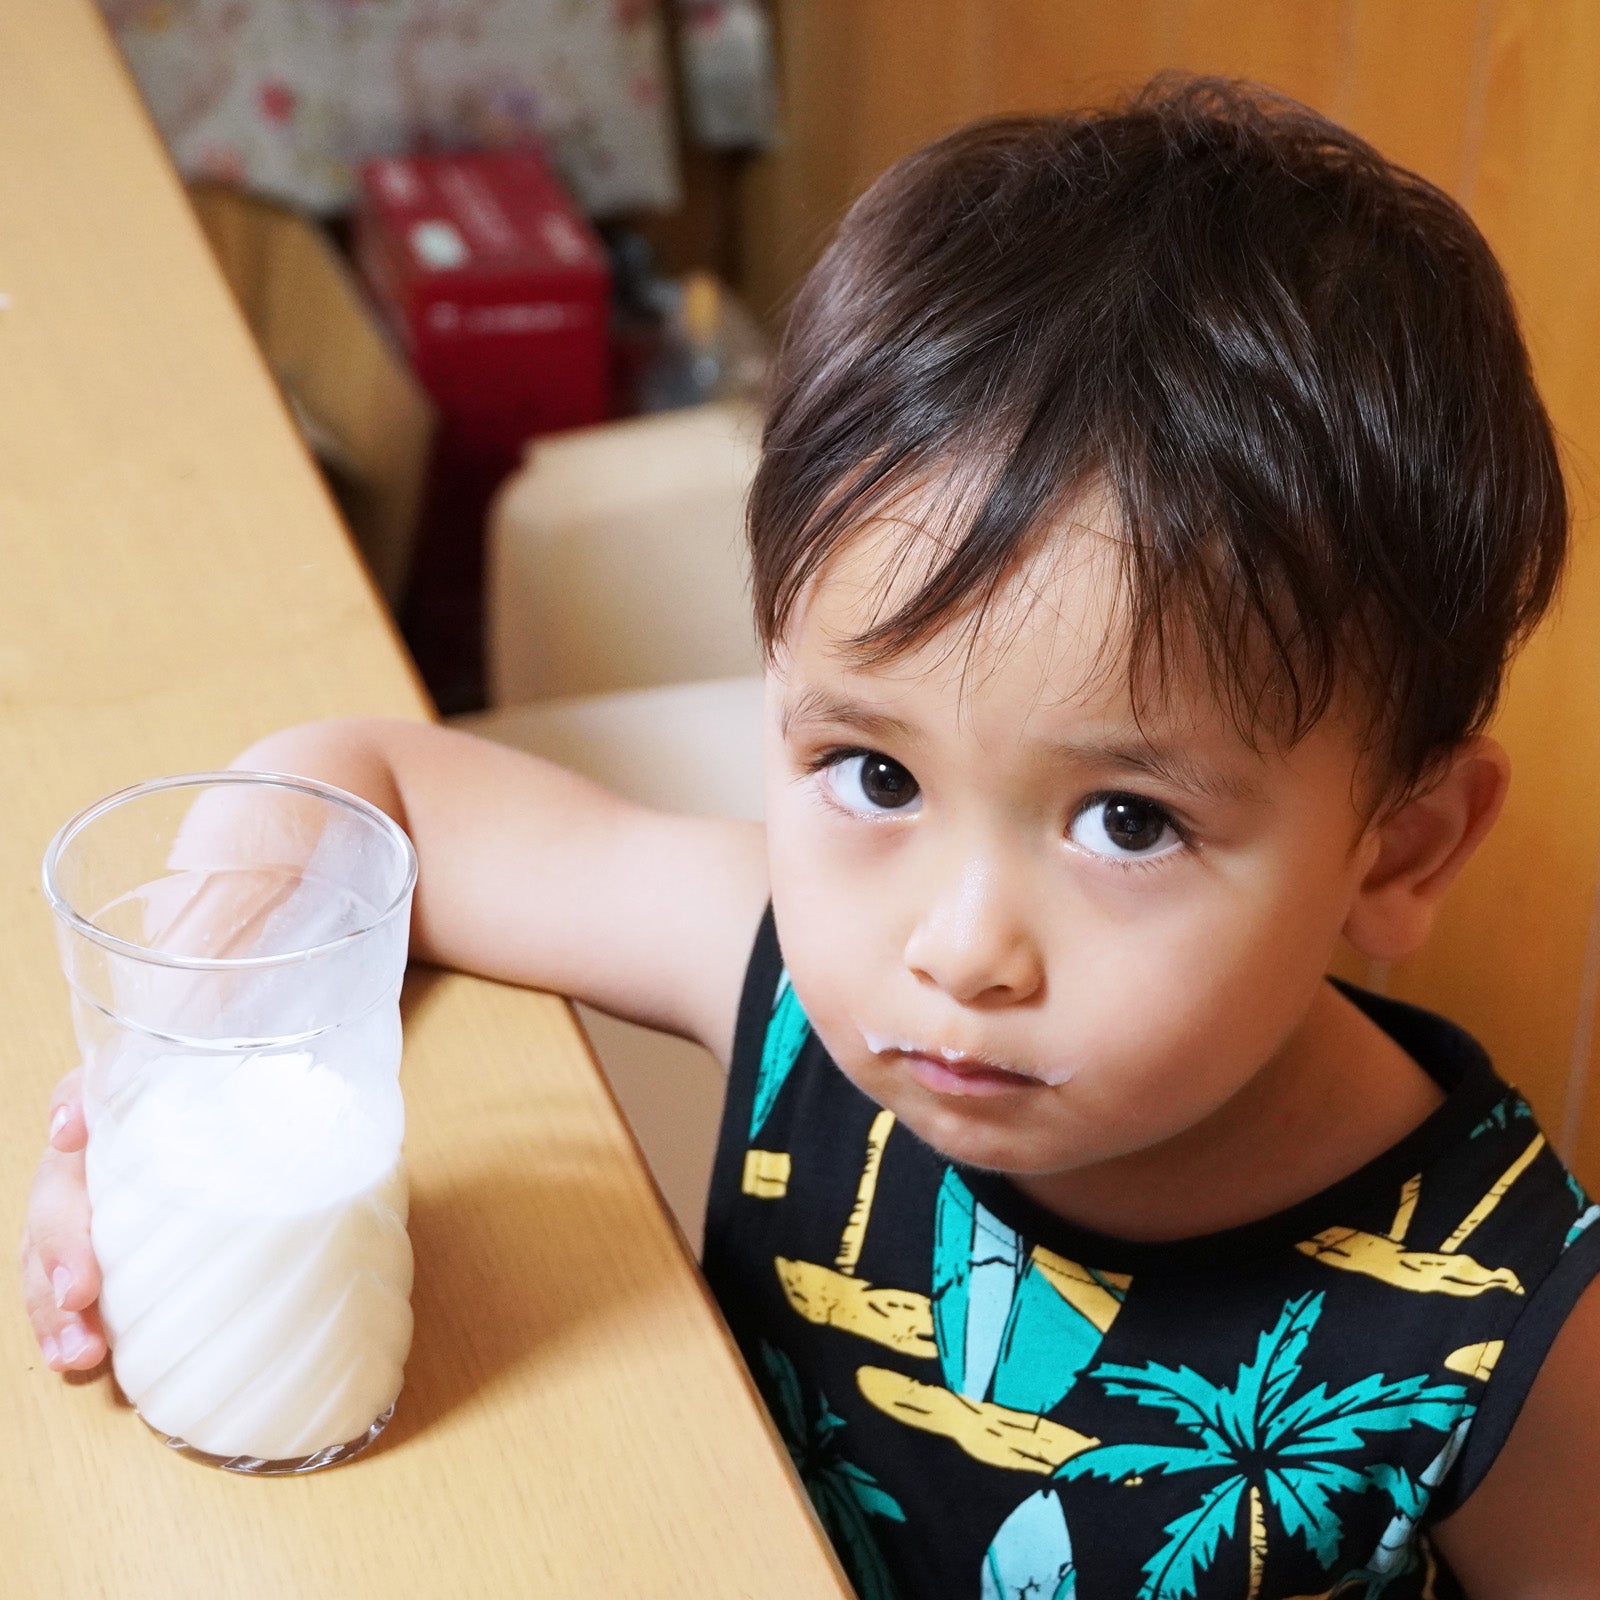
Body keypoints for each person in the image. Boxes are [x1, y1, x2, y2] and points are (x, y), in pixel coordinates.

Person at [22, 78, 1600, 1598]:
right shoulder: (790, 986)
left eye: (1128, 820)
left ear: (1400, 851)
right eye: (876, 775)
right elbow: (370, 787)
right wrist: (179, 1065)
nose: (956, 945)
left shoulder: (1511, 1320)